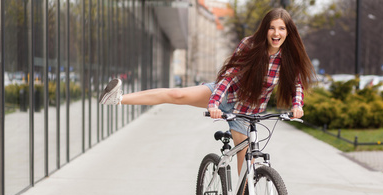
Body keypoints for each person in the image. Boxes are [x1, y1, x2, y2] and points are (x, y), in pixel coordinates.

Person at [99, 8, 315, 172]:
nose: (276, 33)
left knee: (246, 168)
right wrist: (213, 103)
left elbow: (297, 84)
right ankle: (117, 98)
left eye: (281, 28)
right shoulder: (249, 45)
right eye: (272, 27)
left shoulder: (289, 56)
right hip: (224, 95)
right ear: (265, 29)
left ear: (288, 31)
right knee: (177, 94)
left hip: (248, 113)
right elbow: (229, 76)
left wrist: (297, 106)